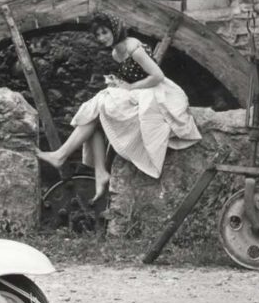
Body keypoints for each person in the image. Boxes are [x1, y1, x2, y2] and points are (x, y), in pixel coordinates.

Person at [36, 12, 201, 202]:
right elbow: (133, 77)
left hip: (159, 93)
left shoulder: (134, 47)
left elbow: (157, 76)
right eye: (98, 35)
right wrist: (118, 82)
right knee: (97, 113)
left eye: (105, 32)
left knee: (100, 103)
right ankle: (99, 172)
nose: (102, 38)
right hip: (140, 91)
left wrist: (129, 87)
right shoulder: (116, 54)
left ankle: (64, 156)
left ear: (115, 29)